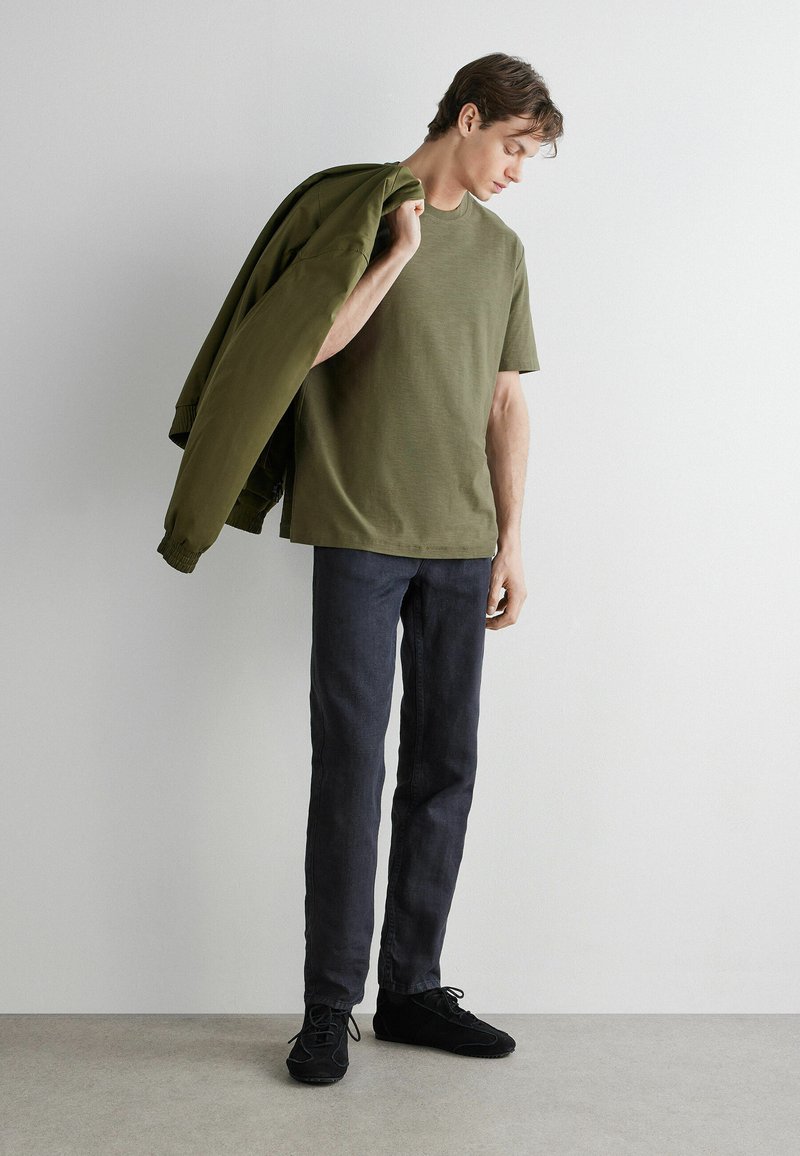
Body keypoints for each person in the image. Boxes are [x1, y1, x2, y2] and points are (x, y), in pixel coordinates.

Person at [284, 52, 564, 1084]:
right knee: (350, 767)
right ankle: (328, 1007)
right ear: (468, 117)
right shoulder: (362, 213)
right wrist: (398, 253)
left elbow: (505, 399)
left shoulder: (501, 250)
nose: (517, 171)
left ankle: (409, 989)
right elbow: (305, 345)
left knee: (444, 764)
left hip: (459, 540)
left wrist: (511, 538)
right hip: (358, 529)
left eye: (530, 158)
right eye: (514, 147)